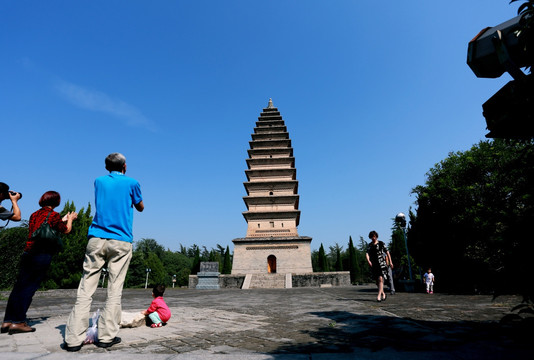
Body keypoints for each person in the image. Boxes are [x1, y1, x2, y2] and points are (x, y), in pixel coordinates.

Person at [64, 153, 144, 352]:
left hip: (96, 238)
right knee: (114, 289)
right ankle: (106, 337)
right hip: (121, 239)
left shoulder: (98, 181)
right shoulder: (132, 183)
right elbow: (140, 207)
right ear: (125, 166)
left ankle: (74, 339)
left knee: (85, 289)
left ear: (107, 167)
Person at [2, 191, 77, 334]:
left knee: (19, 287)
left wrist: (62, 219)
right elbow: (66, 230)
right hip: (41, 255)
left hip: (28, 253)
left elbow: (44, 228)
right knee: (29, 288)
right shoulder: (53, 215)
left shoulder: (35, 214)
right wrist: (71, 219)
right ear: (56, 202)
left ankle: (8, 321)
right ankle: (19, 322)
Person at [366, 230, 389, 302]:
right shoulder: (370, 245)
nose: (373, 238)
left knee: (380, 279)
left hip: (381, 263)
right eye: (372, 237)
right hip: (374, 264)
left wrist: (390, 262)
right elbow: (367, 253)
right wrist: (368, 261)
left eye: (374, 237)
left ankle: (378, 296)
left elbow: (387, 252)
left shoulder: (381, 243)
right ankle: (383, 293)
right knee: (377, 281)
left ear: (376, 236)